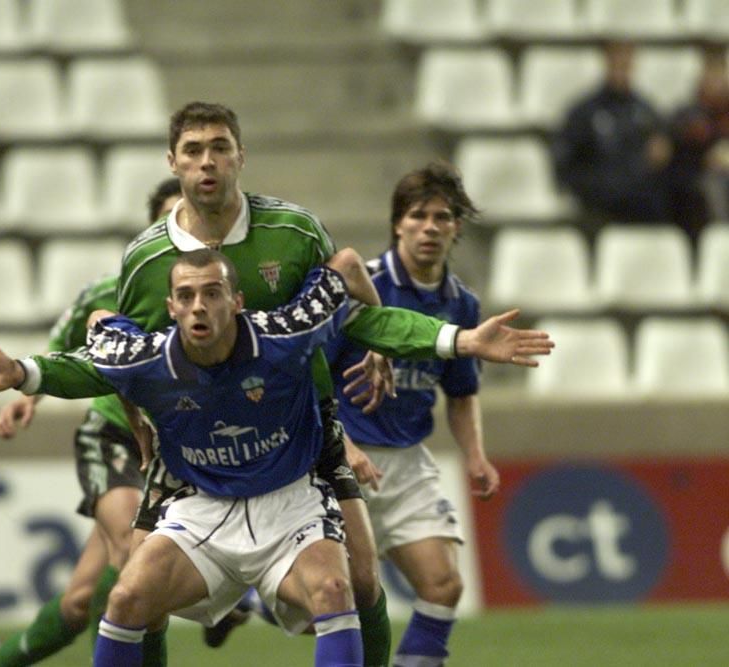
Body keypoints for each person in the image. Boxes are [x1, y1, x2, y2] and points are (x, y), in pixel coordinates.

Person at [98, 101, 551, 667]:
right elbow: (124, 355)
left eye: (220, 148)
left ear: (242, 156)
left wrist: (452, 341)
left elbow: (356, 314)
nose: (207, 162)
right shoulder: (146, 261)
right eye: (193, 151)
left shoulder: (293, 232)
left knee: (359, 585)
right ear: (173, 161)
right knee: (137, 596)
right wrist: (137, 420)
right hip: (195, 447)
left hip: (301, 434)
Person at [0, 248, 382, 666]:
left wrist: (415, 344)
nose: (199, 307)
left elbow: (343, 266)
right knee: (125, 598)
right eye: (186, 296)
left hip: (291, 501)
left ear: (237, 300)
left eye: (212, 293)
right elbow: (88, 360)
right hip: (203, 505)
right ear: (171, 307)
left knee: (336, 588)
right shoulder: (148, 358)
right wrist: (19, 372)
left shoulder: (289, 332)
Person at [0, 178, 182, 667]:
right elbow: (65, 342)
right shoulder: (114, 291)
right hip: (113, 434)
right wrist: (31, 396)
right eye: (168, 220)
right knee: (134, 552)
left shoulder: (219, 293)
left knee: (78, 602)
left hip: (178, 446)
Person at [327, 163, 496, 667]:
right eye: (418, 215)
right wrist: (344, 446)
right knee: (331, 595)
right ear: (398, 223)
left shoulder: (461, 305)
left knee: (444, 584)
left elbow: (461, 392)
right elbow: (308, 376)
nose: (430, 227)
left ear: (456, 228)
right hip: (340, 463)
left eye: (442, 217)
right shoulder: (361, 290)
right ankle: (250, 600)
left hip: (406, 465)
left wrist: (475, 456)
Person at [552, 41, 673, 224]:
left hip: (640, 202)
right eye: (616, 63)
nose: (621, 70)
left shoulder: (645, 110)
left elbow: (659, 153)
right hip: (598, 202)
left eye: (626, 64)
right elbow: (568, 163)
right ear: (606, 63)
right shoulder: (585, 112)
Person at [668, 47, 729, 242]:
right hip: (695, 186)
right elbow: (678, 155)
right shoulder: (687, 115)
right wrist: (707, 159)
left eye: (720, 74)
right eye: (710, 73)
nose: (716, 81)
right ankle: (721, 240)